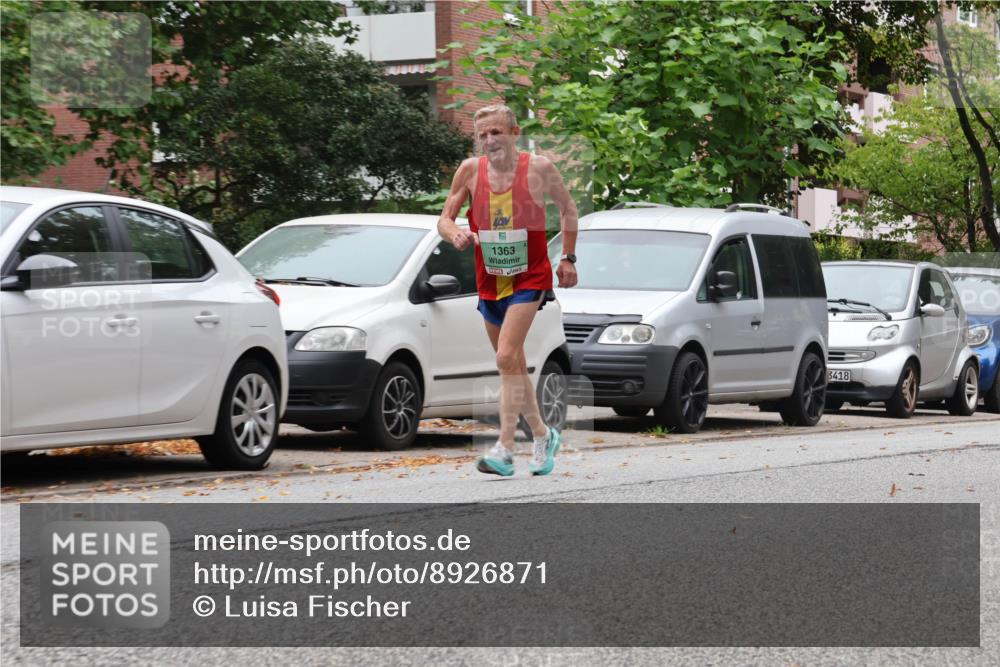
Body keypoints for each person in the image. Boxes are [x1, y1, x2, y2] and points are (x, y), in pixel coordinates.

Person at [437, 104, 578, 477]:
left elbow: (568, 210)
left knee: (504, 357)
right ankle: (543, 435)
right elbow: (445, 218)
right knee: (512, 364)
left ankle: (504, 449)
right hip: (489, 280)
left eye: (496, 132)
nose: (489, 140)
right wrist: (454, 233)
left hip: (530, 277)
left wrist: (568, 257)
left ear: (515, 133)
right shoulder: (469, 171)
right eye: (482, 135)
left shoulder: (539, 168)